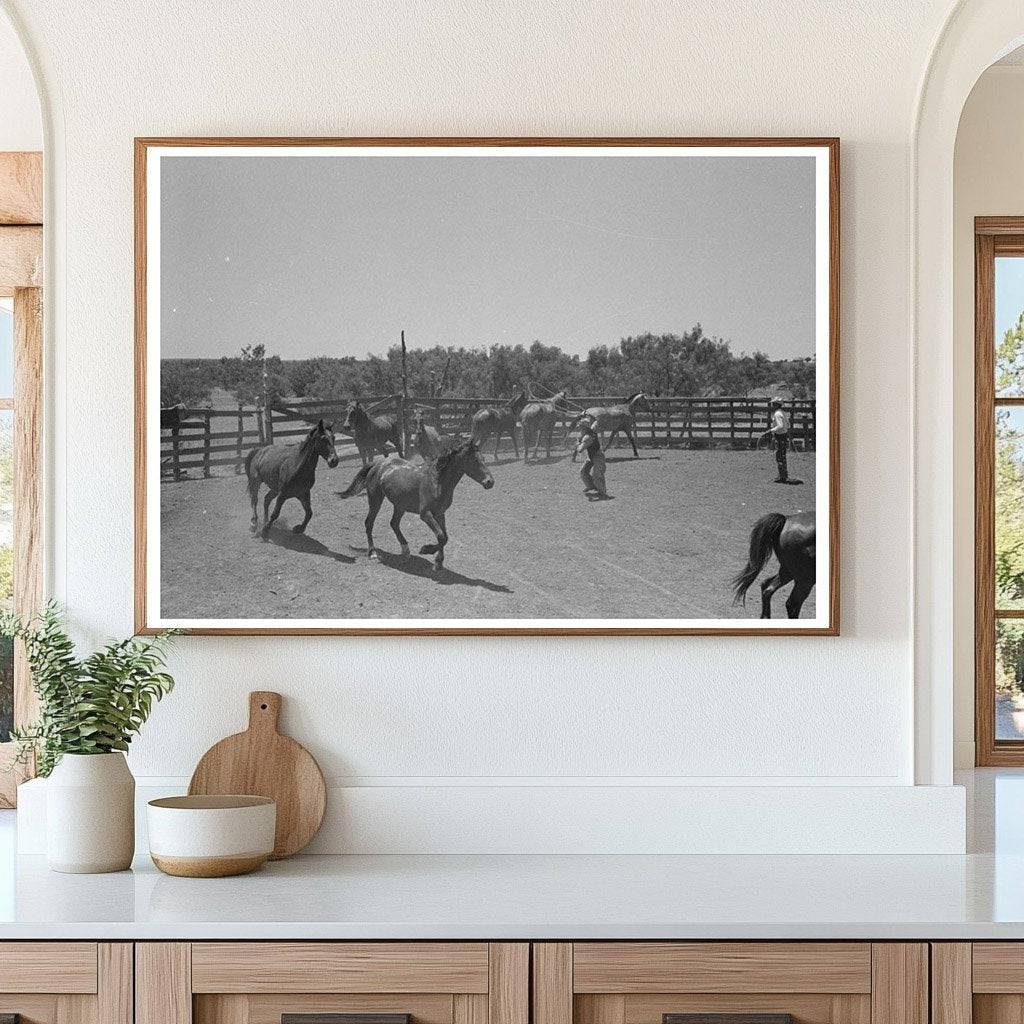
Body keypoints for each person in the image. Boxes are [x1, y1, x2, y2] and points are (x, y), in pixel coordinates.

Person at [575, 420, 608, 499]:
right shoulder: (589, 433)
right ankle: (591, 486)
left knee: (597, 475)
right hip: (591, 456)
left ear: (584, 428)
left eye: (580, 427)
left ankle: (602, 492)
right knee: (583, 471)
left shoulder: (588, 436)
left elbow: (580, 449)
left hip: (598, 456)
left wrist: (578, 444)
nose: (579, 429)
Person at [763, 397, 791, 483]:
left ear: (776, 404)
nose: (772, 405)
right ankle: (783, 475)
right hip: (784, 435)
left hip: (780, 437)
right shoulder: (782, 413)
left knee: (779, 456)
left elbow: (780, 426)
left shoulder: (777, 414)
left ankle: (782, 477)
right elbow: (788, 425)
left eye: (773, 404)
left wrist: (771, 430)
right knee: (782, 455)